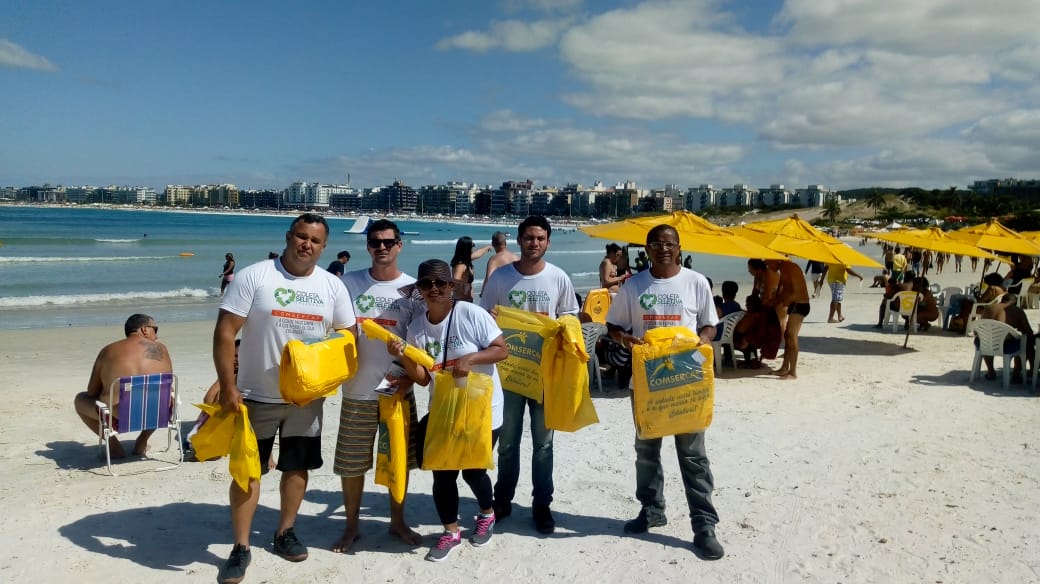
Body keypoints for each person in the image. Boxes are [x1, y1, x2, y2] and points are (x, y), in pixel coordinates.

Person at [213, 213, 357, 584]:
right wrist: (227, 386)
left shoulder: (332, 286)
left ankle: (285, 532)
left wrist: (325, 378)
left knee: (297, 467)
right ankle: (241, 547)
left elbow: (348, 338)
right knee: (249, 472)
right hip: (255, 395)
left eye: (314, 240)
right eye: (300, 236)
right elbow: (225, 332)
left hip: (306, 400)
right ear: (289, 236)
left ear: (324, 247)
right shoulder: (255, 276)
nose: (306, 244)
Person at [605, 224, 724, 561]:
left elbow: (710, 323)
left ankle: (704, 526)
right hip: (646, 382)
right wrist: (624, 340)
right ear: (647, 249)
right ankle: (652, 509)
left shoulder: (696, 282)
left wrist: (703, 340)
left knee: (693, 455)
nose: (663, 249)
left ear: (679, 247)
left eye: (669, 243)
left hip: (687, 381)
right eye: (656, 244)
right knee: (646, 452)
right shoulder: (634, 285)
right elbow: (614, 325)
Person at [390, 259, 508, 562]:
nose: (433, 289)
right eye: (426, 284)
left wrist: (470, 360)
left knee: (473, 471)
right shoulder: (417, 328)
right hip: (443, 409)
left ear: (450, 287)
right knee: (442, 475)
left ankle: (487, 513)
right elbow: (423, 378)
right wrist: (403, 356)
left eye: (440, 284)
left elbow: (501, 349)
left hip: (482, 409)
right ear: (418, 290)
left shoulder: (470, 314)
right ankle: (451, 531)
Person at [480, 215, 579, 535]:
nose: (534, 243)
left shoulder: (559, 278)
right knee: (506, 443)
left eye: (540, 238)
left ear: (548, 242)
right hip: (507, 374)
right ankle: (503, 500)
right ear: (518, 241)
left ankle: (542, 505)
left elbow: (571, 318)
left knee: (544, 444)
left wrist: (563, 330)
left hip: (545, 374)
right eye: (528, 237)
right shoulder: (500, 278)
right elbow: (483, 320)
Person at [332, 219, 422, 553]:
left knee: (397, 459)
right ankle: (351, 526)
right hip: (356, 388)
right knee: (351, 464)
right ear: (367, 246)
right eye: (375, 242)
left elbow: (422, 341)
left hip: (395, 389)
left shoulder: (414, 289)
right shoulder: (348, 283)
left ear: (400, 245)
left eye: (388, 242)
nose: (381, 247)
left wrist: (408, 378)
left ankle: (397, 521)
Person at [74, 314, 173, 459]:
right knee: (159, 394)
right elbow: (168, 384)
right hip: (158, 413)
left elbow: (91, 391)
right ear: (145, 329)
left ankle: (114, 447)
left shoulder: (108, 350)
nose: (157, 336)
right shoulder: (162, 349)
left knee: (80, 399)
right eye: (155, 329)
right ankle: (142, 441)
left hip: (121, 415)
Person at [769, 259, 811, 380]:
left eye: (768, 262)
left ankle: (792, 373)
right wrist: (775, 301)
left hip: (800, 305)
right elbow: (786, 290)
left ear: (775, 259)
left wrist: (784, 301)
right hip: (794, 305)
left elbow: (797, 292)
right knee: (787, 336)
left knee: (792, 338)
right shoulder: (783, 268)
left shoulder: (790, 268)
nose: (767, 264)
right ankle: (784, 368)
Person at [979, 293, 1034, 383]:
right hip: (1005, 346)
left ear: (1002, 300)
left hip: (986, 343)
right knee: (1027, 342)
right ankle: (1016, 375)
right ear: (1015, 303)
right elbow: (1028, 331)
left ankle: (991, 371)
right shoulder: (1017, 310)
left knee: (988, 338)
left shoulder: (989, 307)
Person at [450, 236, 492, 302]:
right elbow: (455, 282)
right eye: (472, 245)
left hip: (466, 300)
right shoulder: (461, 265)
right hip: (461, 301)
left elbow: (478, 253)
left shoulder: (465, 260)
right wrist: (465, 290)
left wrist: (488, 247)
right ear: (467, 248)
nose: (474, 247)